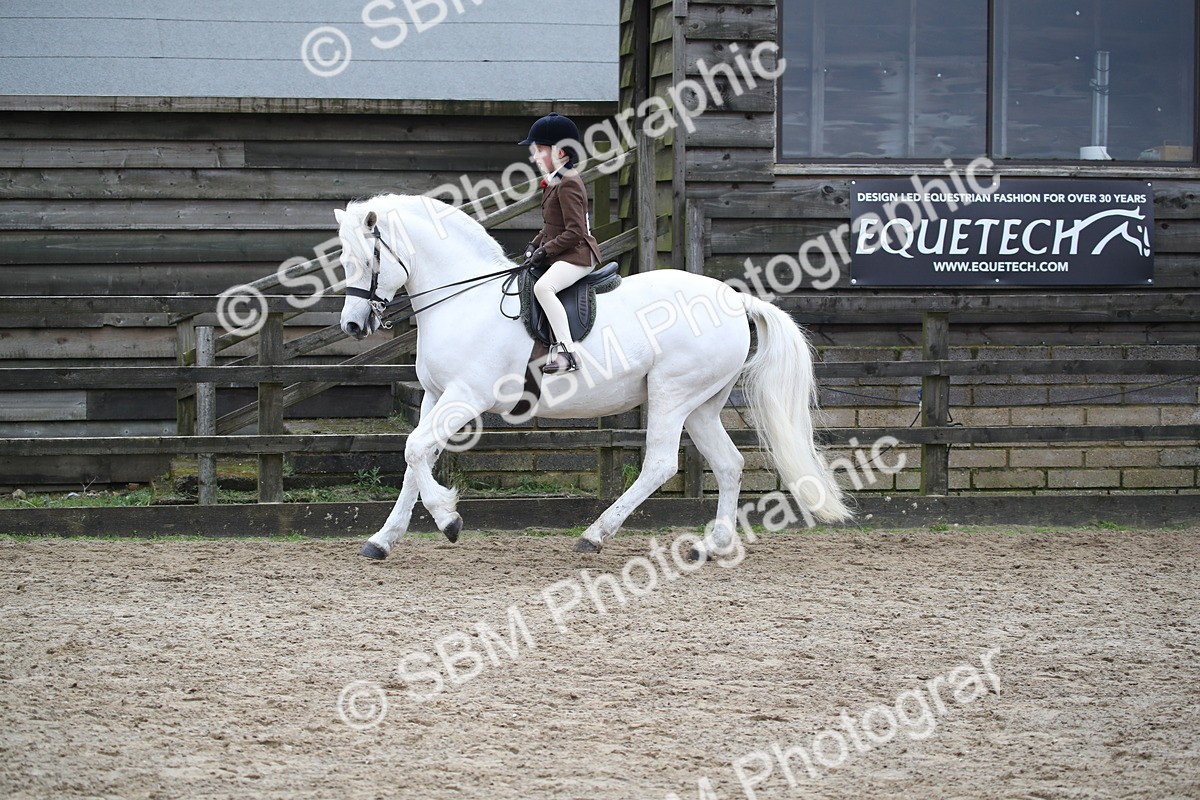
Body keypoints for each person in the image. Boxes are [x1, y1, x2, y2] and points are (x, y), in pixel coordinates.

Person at [518, 113, 602, 374]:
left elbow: (575, 232)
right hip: (563, 252)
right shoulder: (555, 180)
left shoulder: (569, 183)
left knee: (544, 288)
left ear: (562, 152)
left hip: (578, 255)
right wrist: (534, 245)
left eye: (540, 149)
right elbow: (551, 227)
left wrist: (546, 251)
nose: (535, 156)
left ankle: (568, 353)